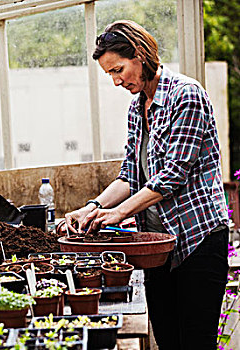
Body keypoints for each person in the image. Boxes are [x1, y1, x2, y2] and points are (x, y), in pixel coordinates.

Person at [62, 20, 229, 349]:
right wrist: (94, 207)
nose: (115, 81)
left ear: (139, 55)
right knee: (167, 340)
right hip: (158, 250)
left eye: (118, 69)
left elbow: (173, 173)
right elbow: (129, 175)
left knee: (196, 342)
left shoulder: (186, 96)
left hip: (197, 242)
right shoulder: (138, 109)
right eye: (110, 73)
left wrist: (118, 213)